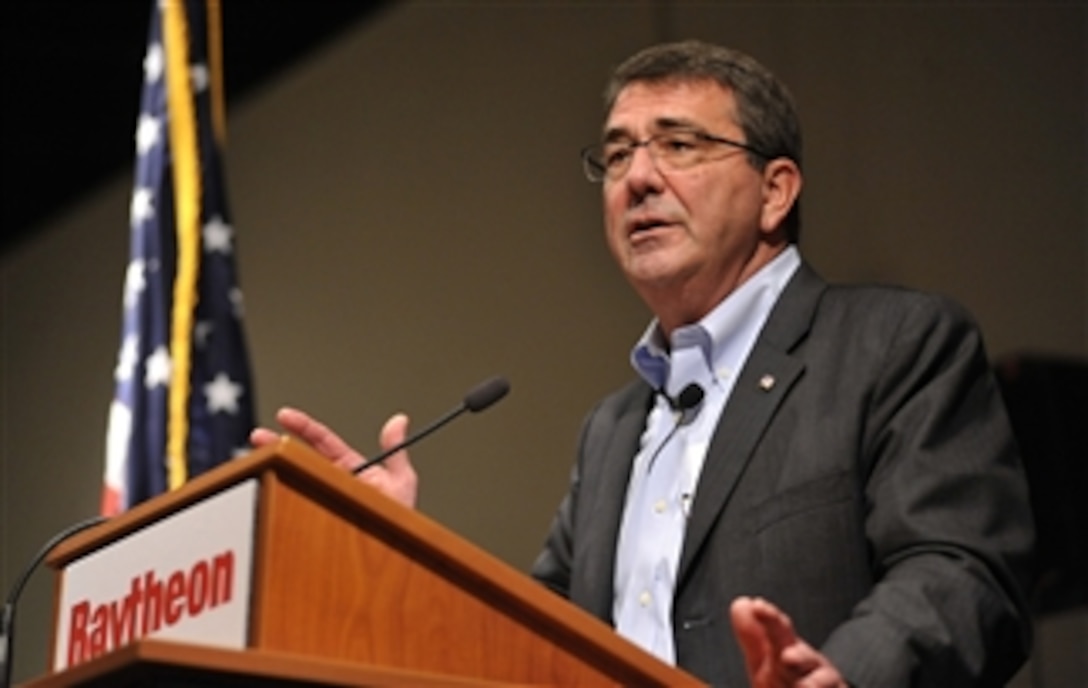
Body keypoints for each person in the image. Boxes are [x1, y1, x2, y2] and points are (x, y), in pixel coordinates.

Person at [251, 40, 1034, 687]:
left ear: (775, 191)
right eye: (618, 153)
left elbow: (964, 570)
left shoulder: (893, 343)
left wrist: (844, 675)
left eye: (680, 145)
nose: (637, 177)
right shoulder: (612, 428)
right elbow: (533, 643)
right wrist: (400, 555)